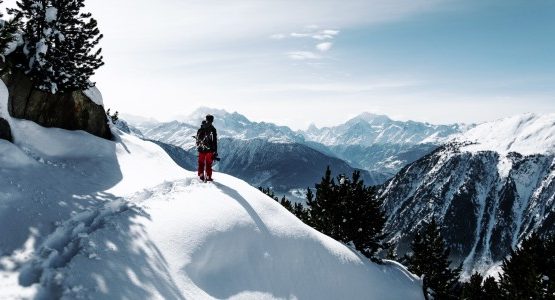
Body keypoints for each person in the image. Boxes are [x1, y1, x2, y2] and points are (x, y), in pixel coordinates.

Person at [196, 114, 218, 181]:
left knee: (201, 163)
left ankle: (201, 175)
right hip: (209, 150)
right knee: (208, 163)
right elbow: (214, 141)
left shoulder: (201, 128)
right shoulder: (213, 129)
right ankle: (208, 176)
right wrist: (215, 151)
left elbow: (197, 139)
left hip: (201, 149)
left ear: (206, 119)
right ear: (212, 120)